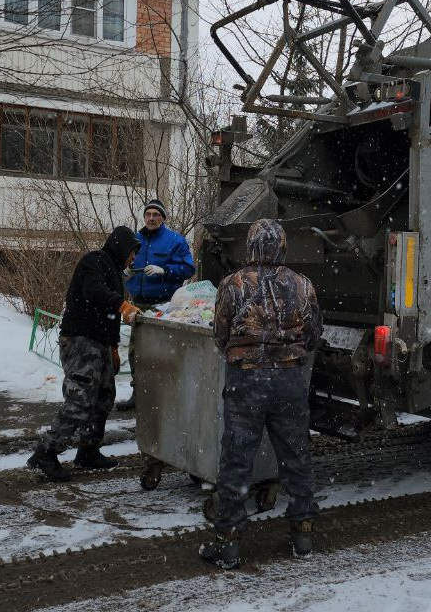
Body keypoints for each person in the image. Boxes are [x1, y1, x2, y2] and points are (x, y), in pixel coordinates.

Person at [199, 219, 322, 570]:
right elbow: (313, 335)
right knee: (297, 459)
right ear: (283, 246)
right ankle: (303, 536)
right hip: (289, 382)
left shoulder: (233, 284)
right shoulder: (303, 285)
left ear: (250, 246)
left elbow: (220, 335)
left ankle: (228, 545)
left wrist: (245, 353)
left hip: (246, 382)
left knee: (236, 462)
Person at [27, 226, 142, 482]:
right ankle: (47, 451)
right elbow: (94, 292)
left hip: (99, 344)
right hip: (81, 342)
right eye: (132, 252)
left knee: (104, 397)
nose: (133, 258)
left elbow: (106, 317)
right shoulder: (96, 260)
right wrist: (121, 304)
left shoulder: (112, 270)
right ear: (121, 247)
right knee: (80, 400)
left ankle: (88, 450)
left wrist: (112, 347)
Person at [118, 199, 195, 410]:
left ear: (163, 218)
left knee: (162, 351)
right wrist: (123, 270)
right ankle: (138, 394)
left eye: (156, 215)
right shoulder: (135, 239)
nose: (151, 218)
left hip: (163, 305)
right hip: (138, 304)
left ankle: (164, 395)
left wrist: (165, 270)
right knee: (136, 351)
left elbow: (189, 269)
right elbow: (122, 260)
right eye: (148, 214)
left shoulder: (175, 241)